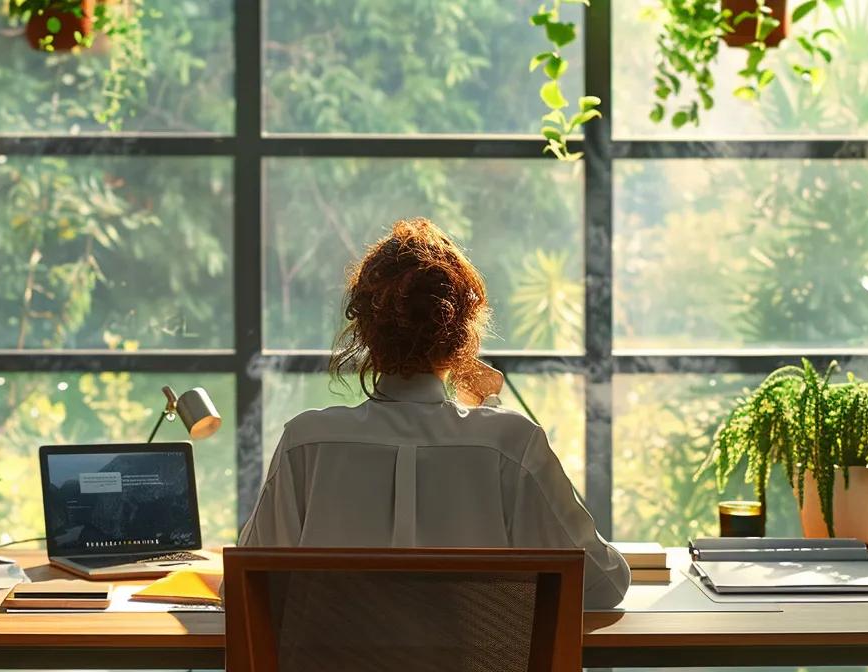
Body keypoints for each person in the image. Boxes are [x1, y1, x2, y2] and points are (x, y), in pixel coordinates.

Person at [238, 218, 630, 609]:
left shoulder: (306, 442)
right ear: (462, 334)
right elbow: (602, 585)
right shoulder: (510, 443)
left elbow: (246, 589)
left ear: (365, 331)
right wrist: (490, 408)